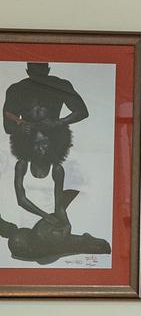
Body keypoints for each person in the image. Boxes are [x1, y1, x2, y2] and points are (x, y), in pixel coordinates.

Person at [5, 62, 89, 224]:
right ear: (28, 71)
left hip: (52, 135)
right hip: (28, 137)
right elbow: (7, 125)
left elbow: (82, 112)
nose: (38, 78)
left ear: (47, 70)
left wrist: (59, 122)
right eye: (34, 73)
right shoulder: (16, 89)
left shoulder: (60, 85)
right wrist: (21, 125)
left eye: (41, 72)